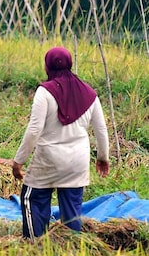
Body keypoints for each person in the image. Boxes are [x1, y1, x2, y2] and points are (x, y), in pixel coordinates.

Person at [12, 46, 110, 238]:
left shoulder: (44, 92)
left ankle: (35, 246)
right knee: (72, 211)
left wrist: (19, 161)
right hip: (77, 161)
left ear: (47, 66)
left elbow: (34, 130)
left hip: (49, 160)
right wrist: (103, 157)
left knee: (32, 198)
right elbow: (101, 129)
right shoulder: (89, 94)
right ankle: (72, 250)